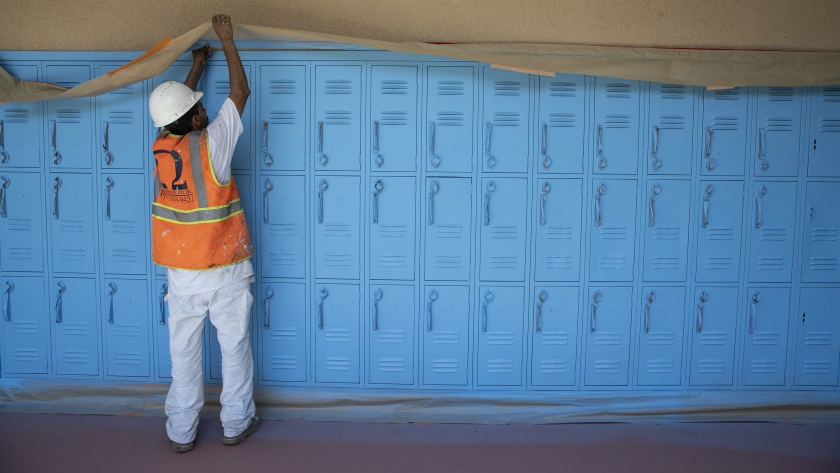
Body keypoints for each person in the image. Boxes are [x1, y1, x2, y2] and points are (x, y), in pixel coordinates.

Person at [148, 13, 259, 453]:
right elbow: (241, 92)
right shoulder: (213, 143)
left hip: (181, 274)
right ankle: (235, 424)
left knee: (183, 355)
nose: (205, 109)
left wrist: (196, 66)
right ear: (195, 119)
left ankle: (181, 432)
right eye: (200, 107)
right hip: (224, 269)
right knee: (233, 349)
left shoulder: (161, 146)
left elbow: (170, 117)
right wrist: (228, 41)